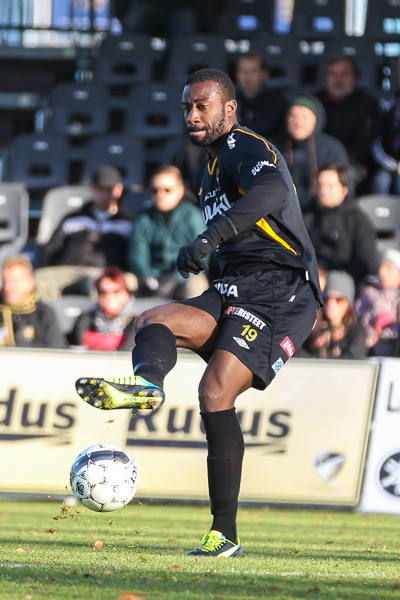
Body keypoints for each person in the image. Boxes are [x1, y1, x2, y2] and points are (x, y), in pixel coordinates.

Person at [75, 68, 322, 557]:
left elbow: (273, 191)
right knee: (153, 321)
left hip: (281, 289)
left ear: (228, 109)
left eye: (201, 106)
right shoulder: (206, 166)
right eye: (187, 106)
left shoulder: (244, 146)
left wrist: (210, 237)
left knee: (214, 391)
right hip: (235, 286)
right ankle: (149, 385)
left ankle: (223, 534)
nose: (192, 115)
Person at [36, 165, 133, 301]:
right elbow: (51, 249)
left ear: (119, 190)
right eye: (100, 189)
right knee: (39, 280)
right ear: (92, 188)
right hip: (68, 269)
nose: (105, 195)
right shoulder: (72, 218)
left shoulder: (127, 222)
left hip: (103, 272)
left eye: (109, 190)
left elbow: (133, 255)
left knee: (99, 286)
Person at [129, 165, 207, 300]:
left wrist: (176, 278)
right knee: (127, 281)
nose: (161, 195)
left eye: (167, 190)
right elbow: (137, 254)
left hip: (184, 277)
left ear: (180, 190)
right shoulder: (143, 218)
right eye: (155, 190)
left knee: (198, 284)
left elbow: (200, 256)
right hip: (152, 276)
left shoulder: (193, 216)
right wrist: (145, 277)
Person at [303, 163, 379, 286]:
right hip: (310, 280)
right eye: (320, 185)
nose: (323, 190)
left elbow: (366, 261)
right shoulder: (306, 216)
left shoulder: (358, 220)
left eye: (330, 186)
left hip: (345, 284)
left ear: (344, 189)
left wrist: (335, 280)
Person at [275, 94, 349, 210]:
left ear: (317, 119)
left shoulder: (332, 149)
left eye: (304, 117)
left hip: (321, 215)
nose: (298, 122)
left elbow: (343, 188)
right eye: (293, 116)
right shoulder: (273, 147)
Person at [315, 55, 380, 184]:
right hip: (317, 161)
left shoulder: (368, 104)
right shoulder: (315, 102)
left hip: (352, 163)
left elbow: (365, 146)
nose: (338, 79)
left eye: (344, 74)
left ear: (355, 77)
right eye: (333, 74)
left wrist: (335, 160)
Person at [297, 270, 367, 359]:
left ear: (348, 304)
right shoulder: (312, 326)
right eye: (326, 298)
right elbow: (298, 352)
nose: (331, 304)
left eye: (338, 299)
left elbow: (352, 360)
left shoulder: (356, 332)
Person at [0, 254, 65, 348]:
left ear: (30, 282)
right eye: (5, 281)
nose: (8, 287)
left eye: (14, 281)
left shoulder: (43, 313)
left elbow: (56, 349)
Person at [70, 267, 138, 351]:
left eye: (116, 291)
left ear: (127, 293)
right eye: (103, 292)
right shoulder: (85, 320)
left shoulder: (137, 323)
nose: (109, 296)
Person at [235, 51, 288, 142]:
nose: (247, 76)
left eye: (253, 71)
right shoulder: (228, 104)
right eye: (243, 71)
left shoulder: (279, 106)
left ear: (265, 74)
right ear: (237, 74)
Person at [356, 249, 400, 356]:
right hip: (367, 349)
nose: (382, 272)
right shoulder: (369, 293)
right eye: (381, 267)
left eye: (388, 268)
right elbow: (357, 319)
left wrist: (383, 337)